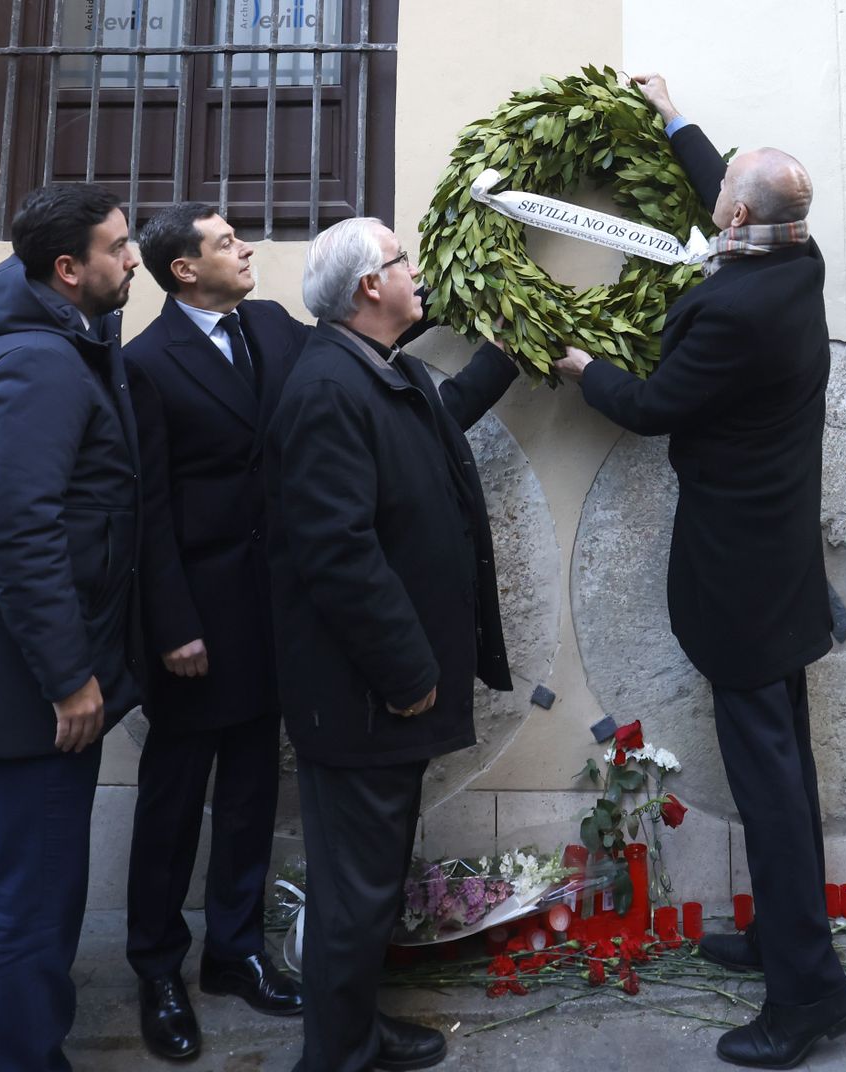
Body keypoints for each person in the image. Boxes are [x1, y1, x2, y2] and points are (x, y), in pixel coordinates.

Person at [553, 72, 846, 1068]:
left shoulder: (735, 309)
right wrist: (673, 115)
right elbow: (739, 190)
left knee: (769, 784)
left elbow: (649, 407)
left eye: (721, 182)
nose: (715, 188)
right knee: (785, 768)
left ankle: (807, 998)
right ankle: (783, 940)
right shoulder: (793, 257)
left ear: (735, 214)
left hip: (741, 576)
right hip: (779, 569)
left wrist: (579, 369)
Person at [265, 217, 519, 1072]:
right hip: (367, 693)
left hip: (386, 693)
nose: (418, 272)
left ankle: (357, 1034)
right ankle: (334, 1056)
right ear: (371, 286)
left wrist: (510, 350)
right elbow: (337, 553)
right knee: (355, 891)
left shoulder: (383, 370)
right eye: (405, 259)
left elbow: (431, 428)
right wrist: (410, 672)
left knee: (370, 886)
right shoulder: (326, 388)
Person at [0, 182, 143, 1072]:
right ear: (68, 269)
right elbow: (19, 531)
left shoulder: (49, 346)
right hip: (26, 690)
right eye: (119, 248)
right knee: (28, 905)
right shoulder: (40, 363)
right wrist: (69, 677)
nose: (133, 260)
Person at [120, 203, 306, 1060]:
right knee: (171, 803)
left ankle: (236, 952)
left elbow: (344, 362)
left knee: (249, 794)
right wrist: (172, 625)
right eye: (229, 242)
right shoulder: (147, 364)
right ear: (184, 269)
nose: (247, 249)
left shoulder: (268, 323)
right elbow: (146, 509)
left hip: (270, 608)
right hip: (196, 620)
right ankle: (158, 968)